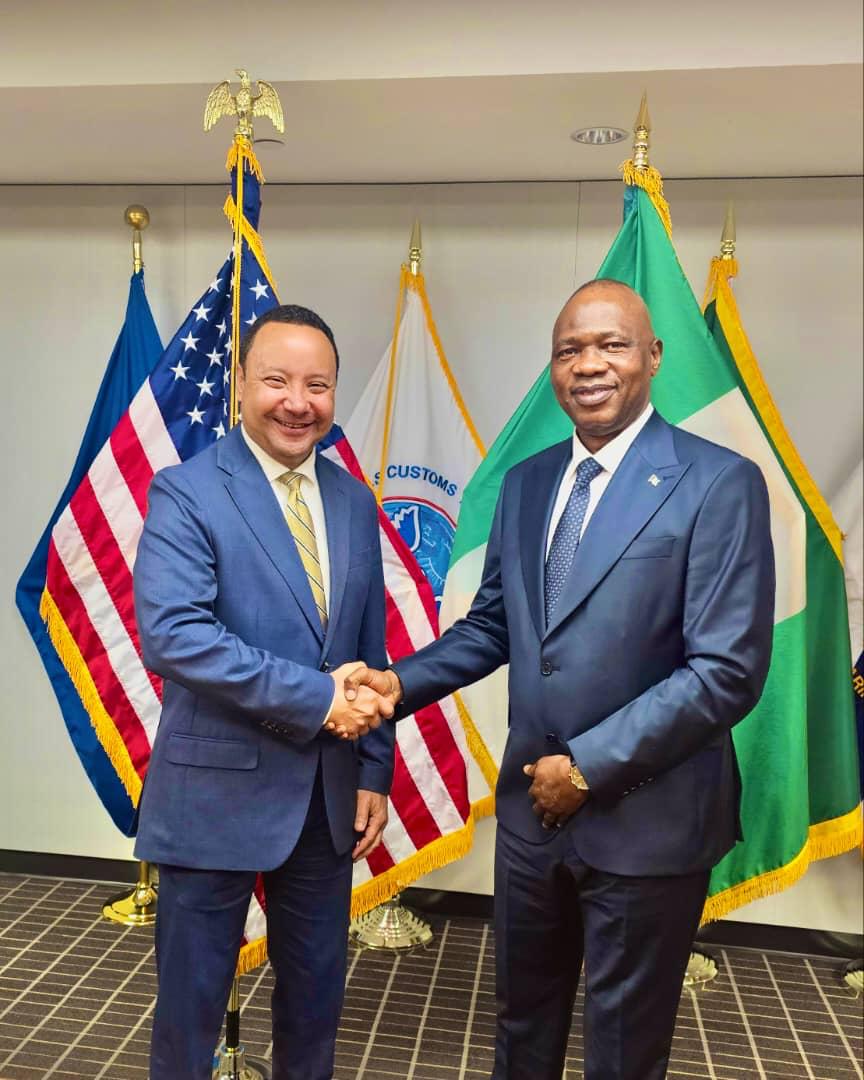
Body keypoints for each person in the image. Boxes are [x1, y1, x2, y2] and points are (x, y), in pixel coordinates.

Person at [345, 279, 775, 1080]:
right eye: (569, 349)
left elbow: (726, 672)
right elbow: (495, 625)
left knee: (624, 1049)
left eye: (611, 345)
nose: (589, 364)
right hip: (531, 820)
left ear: (653, 356)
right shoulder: (529, 481)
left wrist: (585, 769)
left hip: (648, 822)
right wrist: (399, 685)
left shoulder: (718, 482)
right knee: (522, 1027)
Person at [133, 304, 395, 1080]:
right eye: (277, 380)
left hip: (326, 801)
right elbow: (175, 635)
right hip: (211, 796)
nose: (297, 402)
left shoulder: (353, 500)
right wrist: (317, 698)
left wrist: (374, 769)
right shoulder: (186, 492)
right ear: (241, 382)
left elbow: (369, 649)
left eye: (318, 385)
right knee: (189, 1015)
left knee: (316, 1008)